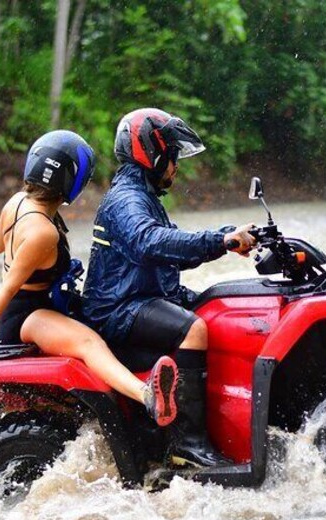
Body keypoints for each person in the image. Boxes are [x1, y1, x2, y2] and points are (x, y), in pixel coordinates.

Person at [0, 130, 178, 428]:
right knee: (89, 343)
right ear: (73, 182)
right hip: (26, 315)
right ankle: (146, 396)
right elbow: (7, 287)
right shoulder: (42, 232)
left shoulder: (17, 202)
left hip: (40, 303)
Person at [82, 108, 256, 467]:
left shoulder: (143, 197)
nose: (176, 166)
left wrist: (228, 236)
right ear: (154, 154)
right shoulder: (127, 200)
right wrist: (220, 240)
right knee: (193, 328)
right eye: (173, 155)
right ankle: (188, 445)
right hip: (118, 310)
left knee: (217, 305)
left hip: (140, 298)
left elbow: (172, 248)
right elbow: (150, 242)